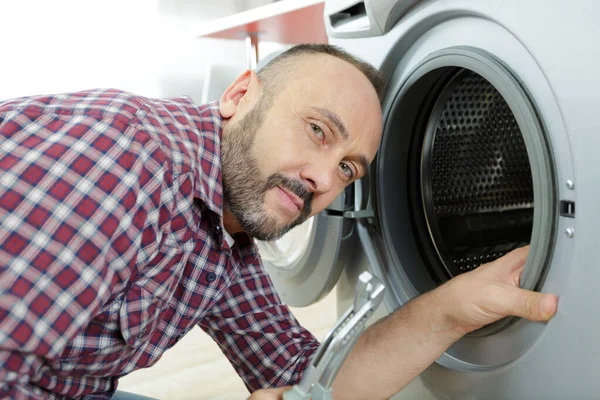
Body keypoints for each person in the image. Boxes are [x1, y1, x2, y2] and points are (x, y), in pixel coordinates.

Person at [0, 44, 558, 400]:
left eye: (347, 167)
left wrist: (450, 309)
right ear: (240, 96)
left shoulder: (225, 231)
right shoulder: (126, 162)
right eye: (317, 130)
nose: (323, 178)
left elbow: (301, 381)